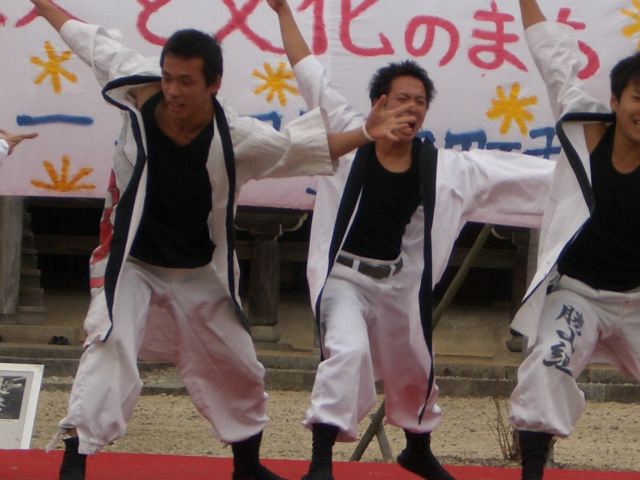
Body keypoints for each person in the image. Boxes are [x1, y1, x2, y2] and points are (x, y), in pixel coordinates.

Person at [29, 1, 414, 479]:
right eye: (168, 78)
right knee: (109, 342)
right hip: (132, 263)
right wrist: (41, 4)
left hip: (198, 270)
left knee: (237, 363)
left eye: (185, 81)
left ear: (213, 84)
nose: (173, 90)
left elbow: (300, 147)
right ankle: (76, 460)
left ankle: (246, 466)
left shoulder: (235, 137)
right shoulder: (137, 85)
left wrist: (365, 132)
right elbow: (85, 36)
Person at [268, 2, 556, 479]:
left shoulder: (440, 167)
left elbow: (519, 174)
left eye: (420, 101)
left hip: (396, 282)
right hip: (344, 278)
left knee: (415, 363)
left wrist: (590, 179)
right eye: (402, 98)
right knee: (347, 352)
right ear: (380, 103)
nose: (411, 108)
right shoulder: (350, 136)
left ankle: (417, 449)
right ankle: (320, 462)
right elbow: (308, 72)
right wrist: (282, 12)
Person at [509, 1, 640, 479]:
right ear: (616, 101)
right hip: (578, 294)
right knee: (549, 361)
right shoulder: (584, 132)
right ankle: (531, 472)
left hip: (636, 299)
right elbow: (553, 57)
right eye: (638, 98)